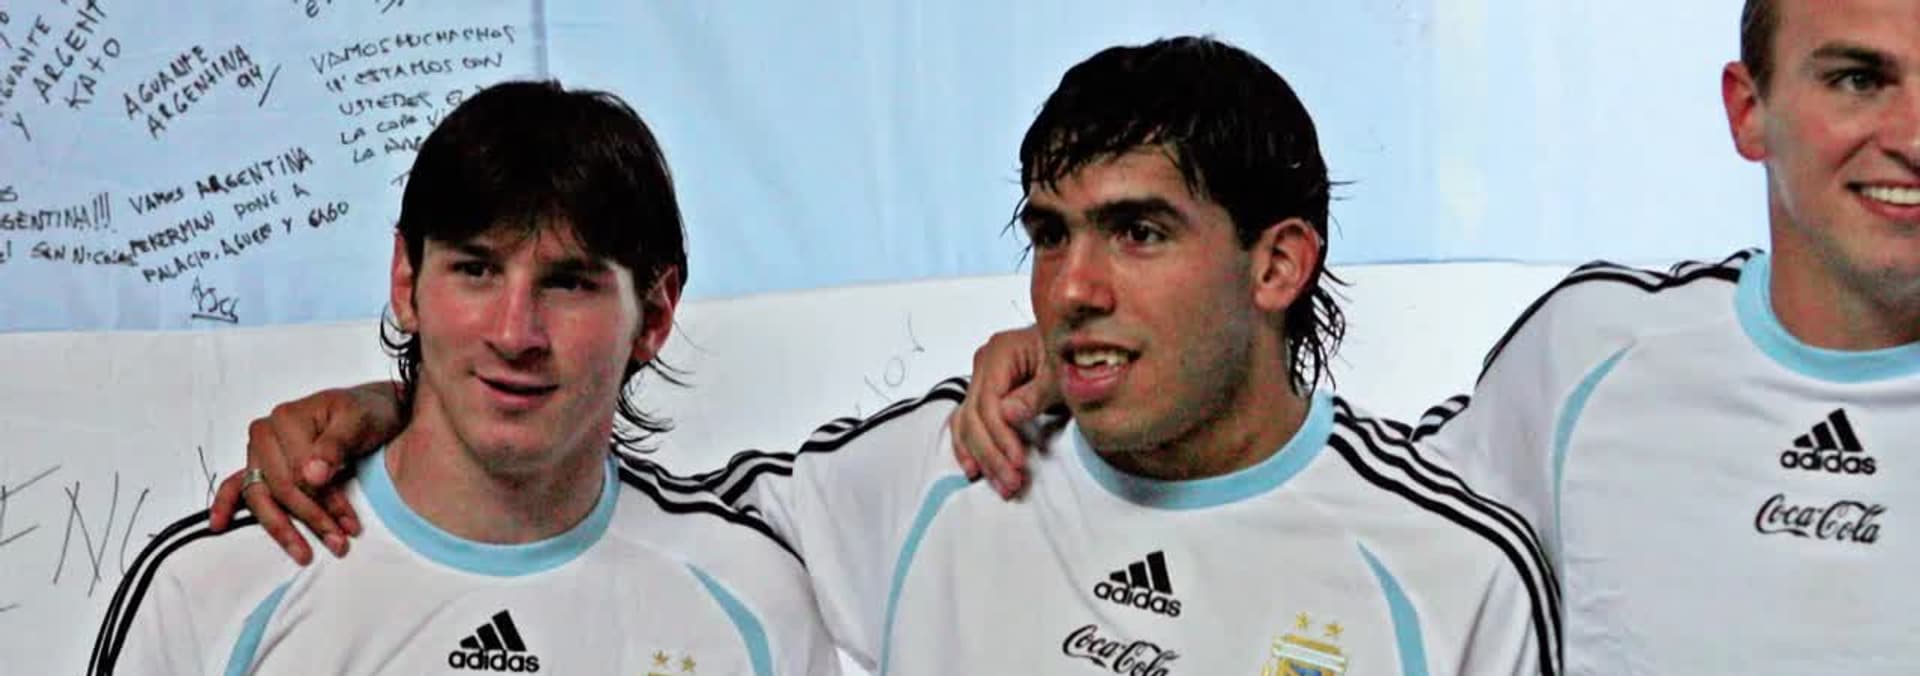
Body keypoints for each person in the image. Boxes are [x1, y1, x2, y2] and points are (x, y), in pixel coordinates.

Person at [214, 37, 1557, 674]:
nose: (1073, 287)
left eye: (1138, 232)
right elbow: (606, 520)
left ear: (1276, 264)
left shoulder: (1451, 575)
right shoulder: (933, 474)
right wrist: (395, 406)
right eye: (1050, 233)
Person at [953, 1, 1920, 673]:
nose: (1912, 135)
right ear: (1748, 111)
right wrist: (1099, 358)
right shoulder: (1596, 354)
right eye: (1858, 79)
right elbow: (1364, 499)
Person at [91, 81, 837, 675]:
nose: (515, 334)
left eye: (569, 283)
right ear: (406, 280)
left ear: (655, 313)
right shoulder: (213, 583)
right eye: (476, 270)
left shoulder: (751, 592)